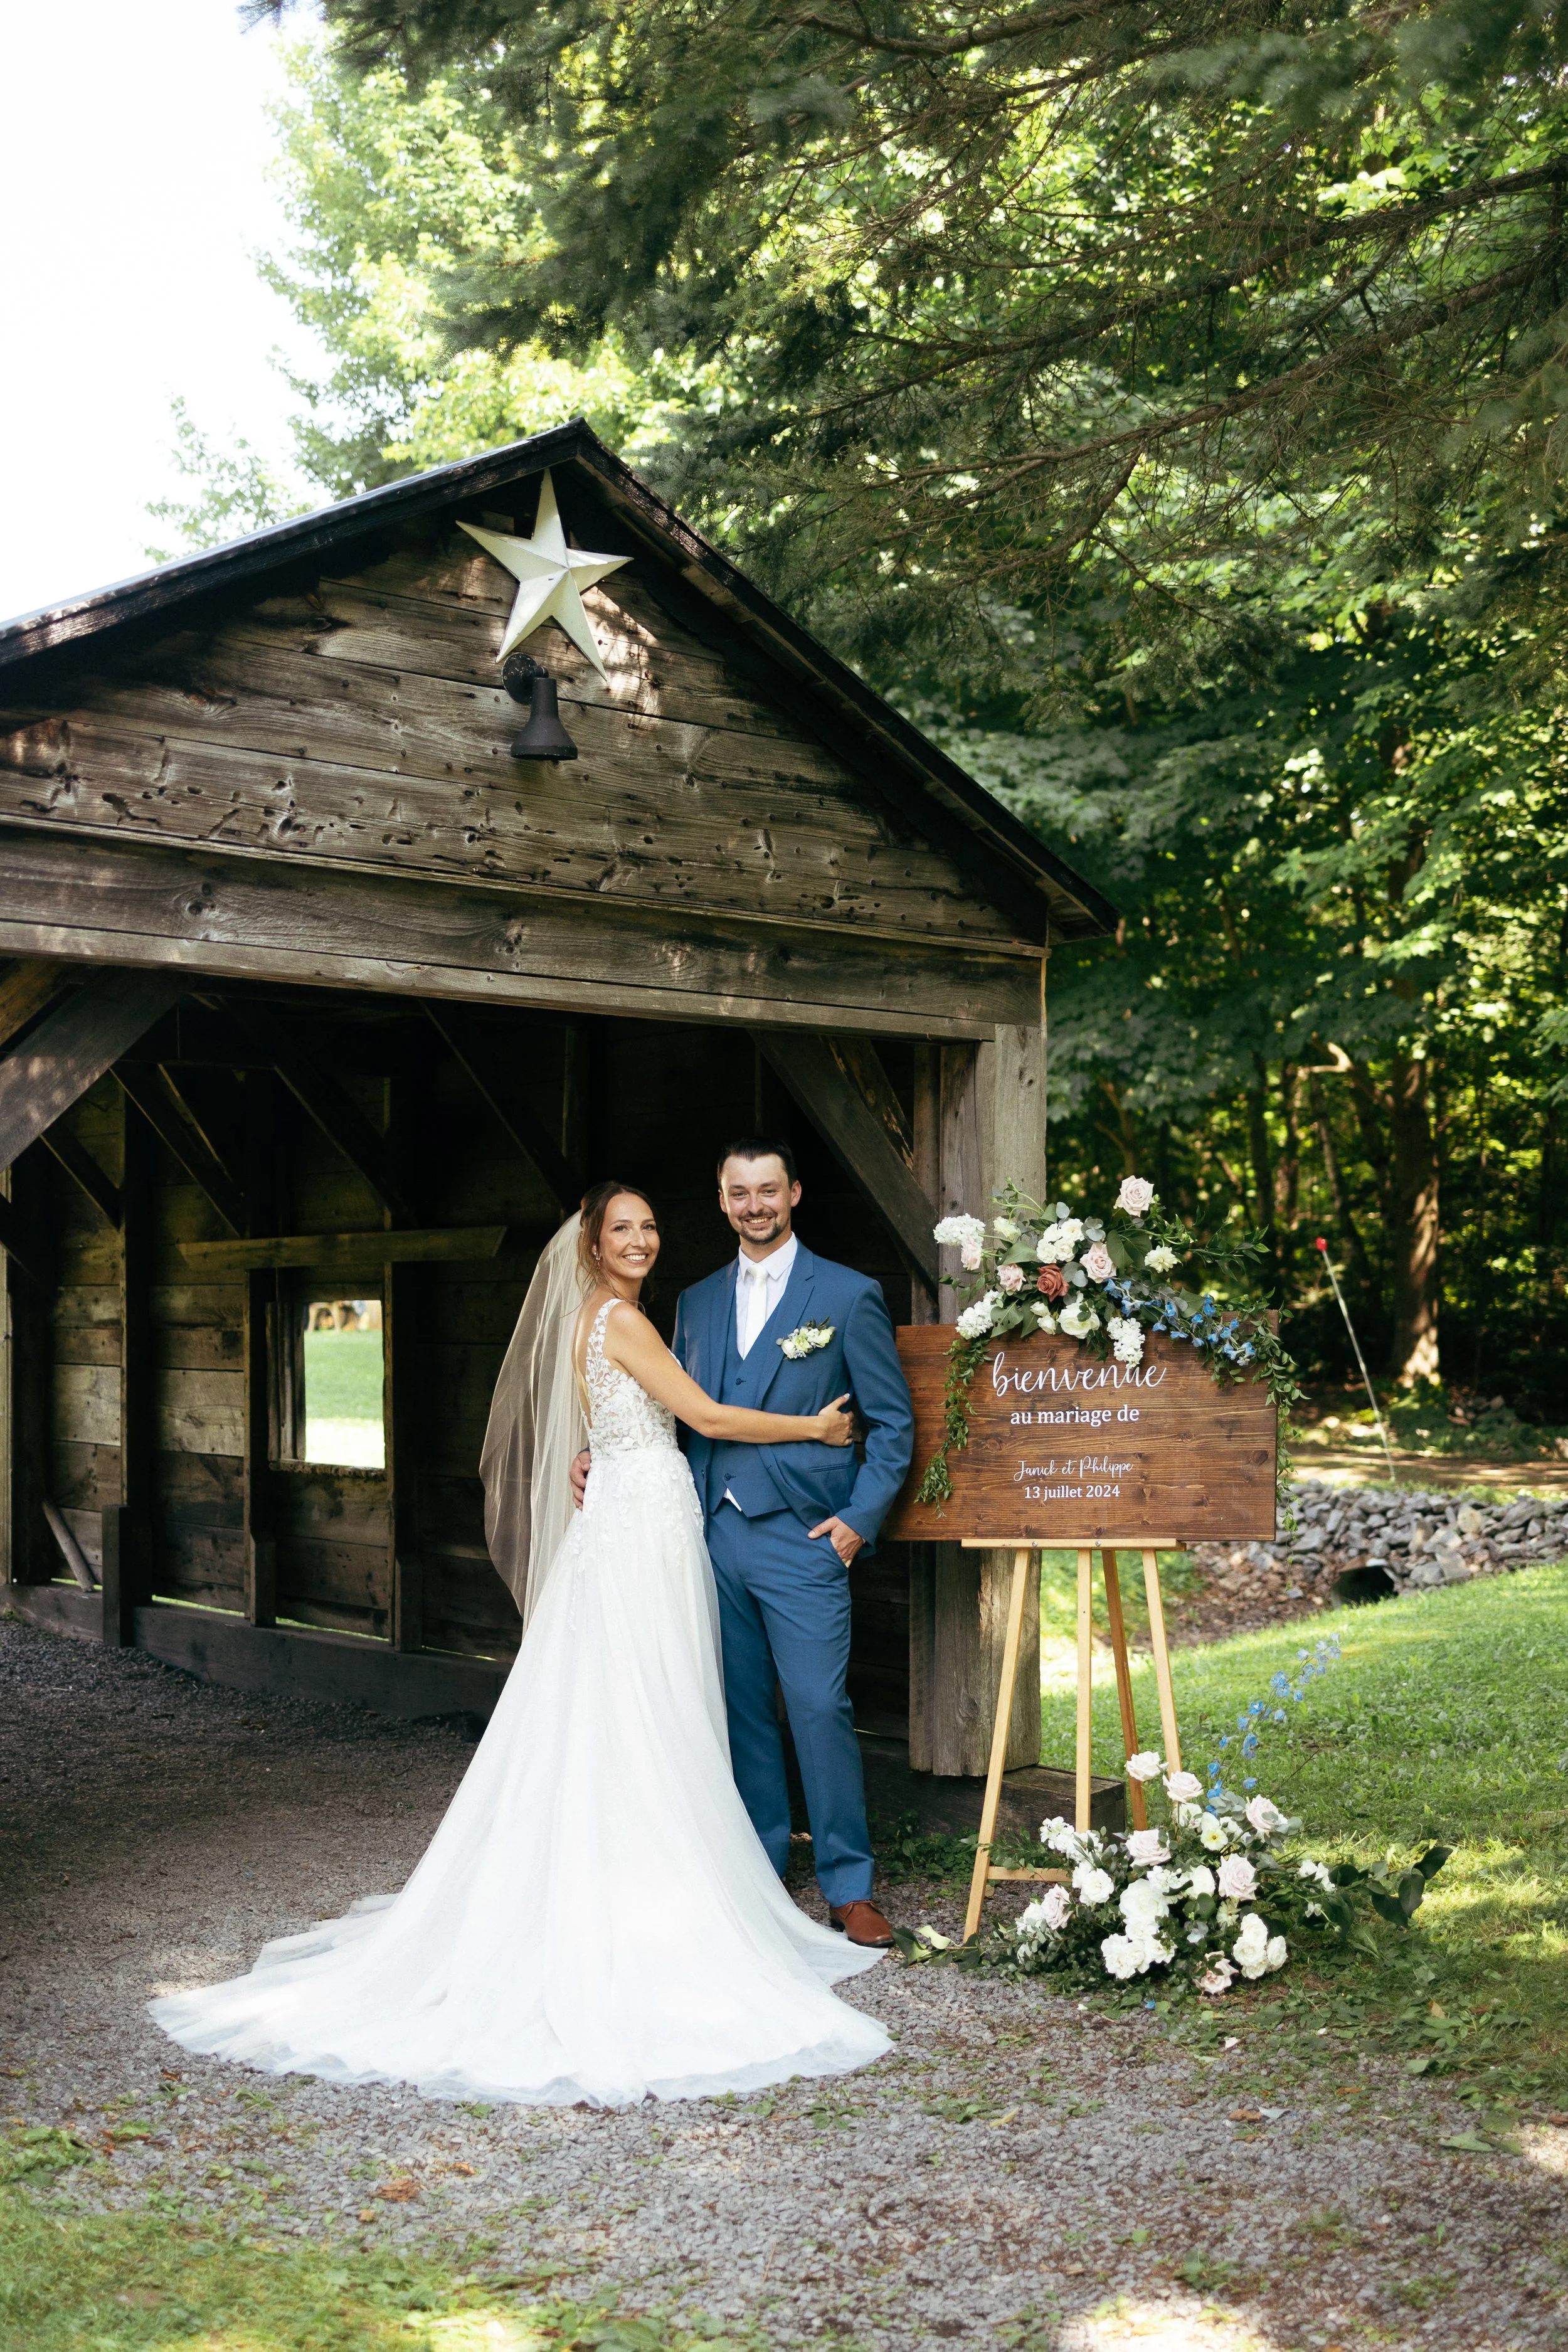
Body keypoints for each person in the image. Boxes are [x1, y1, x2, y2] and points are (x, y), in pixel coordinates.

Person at [149, 1183, 891, 2108]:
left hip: (632, 1518)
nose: (641, 1238)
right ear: (589, 1242)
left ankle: (648, 1881)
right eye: (622, 1227)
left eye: (651, 1224)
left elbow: (619, 1428)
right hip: (642, 1529)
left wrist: (595, 1457)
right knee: (646, 1705)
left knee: (626, 1707)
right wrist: (814, 1426)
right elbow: (704, 1417)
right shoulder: (620, 1320)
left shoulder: (596, 1319)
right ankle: (657, 1900)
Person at [572, 1138, 916, 1949]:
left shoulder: (847, 1293)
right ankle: (755, 1867)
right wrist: (601, 1456)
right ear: (722, 1201)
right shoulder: (691, 1302)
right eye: (740, 1192)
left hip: (804, 1539)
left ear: (793, 1193)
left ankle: (848, 1881)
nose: (755, 1204)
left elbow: (893, 1424)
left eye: (769, 1189)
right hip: (707, 1532)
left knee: (818, 1704)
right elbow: (676, 1410)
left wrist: (856, 1522)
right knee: (738, 1710)